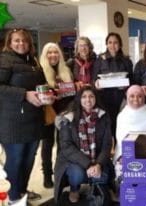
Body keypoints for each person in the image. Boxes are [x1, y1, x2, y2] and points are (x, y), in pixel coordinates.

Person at [0, 28, 45, 203]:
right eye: (17, 40)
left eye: (24, 41)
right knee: (16, 160)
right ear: (9, 43)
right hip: (12, 123)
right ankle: (12, 197)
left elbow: (40, 84)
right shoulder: (4, 60)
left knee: (28, 160)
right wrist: (24, 94)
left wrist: (48, 92)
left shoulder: (33, 60)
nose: (21, 44)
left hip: (33, 120)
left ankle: (21, 193)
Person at [54, 86, 114, 203]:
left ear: (96, 98)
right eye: (84, 97)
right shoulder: (68, 118)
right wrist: (88, 164)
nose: (88, 100)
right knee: (78, 175)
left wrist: (98, 164)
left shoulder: (104, 116)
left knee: (103, 175)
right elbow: (66, 147)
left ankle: (95, 188)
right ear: (79, 99)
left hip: (96, 157)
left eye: (91, 96)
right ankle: (74, 189)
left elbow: (107, 144)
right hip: (73, 160)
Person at [39, 42, 74, 188]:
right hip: (48, 112)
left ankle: (60, 172)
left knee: (62, 144)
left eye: (55, 52)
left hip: (64, 112)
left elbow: (71, 93)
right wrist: (52, 96)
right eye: (49, 52)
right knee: (47, 145)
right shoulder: (39, 71)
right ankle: (47, 175)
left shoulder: (66, 70)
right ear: (45, 55)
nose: (53, 55)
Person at [113, 85, 146, 186]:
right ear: (127, 97)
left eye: (139, 96)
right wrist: (129, 155)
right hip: (125, 152)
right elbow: (120, 139)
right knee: (125, 172)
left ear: (144, 97)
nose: (136, 99)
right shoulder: (122, 116)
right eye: (132, 96)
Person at [93, 32, 133, 143]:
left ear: (120, 45)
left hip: (121, 100)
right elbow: (94, 79)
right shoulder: (100, 60)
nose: (112, 45)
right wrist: (96, 84)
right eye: (110, 42)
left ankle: (119, 153)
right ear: (106, 44)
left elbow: (132, 80)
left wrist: (126, 86)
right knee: (106, 127)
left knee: (121, 127)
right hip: (104, 99)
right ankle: (107, 155)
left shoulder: (127, 61)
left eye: (115, 42)